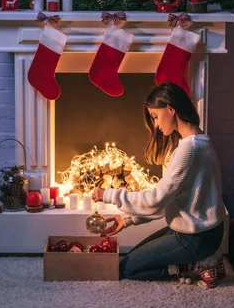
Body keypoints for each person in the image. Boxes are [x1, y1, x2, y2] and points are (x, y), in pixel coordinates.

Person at [92, 81, 226, 288]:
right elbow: (168, 200)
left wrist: (109, 195)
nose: (155, 124)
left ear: (171, 109)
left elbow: (156, 199)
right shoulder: (198, 140)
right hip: (190, 230)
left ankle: (197, 264)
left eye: (155, 116)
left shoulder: (189, 149)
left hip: (196, 238)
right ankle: (198, 261)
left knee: (128, 269)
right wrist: (128, 220)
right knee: (130, 258)